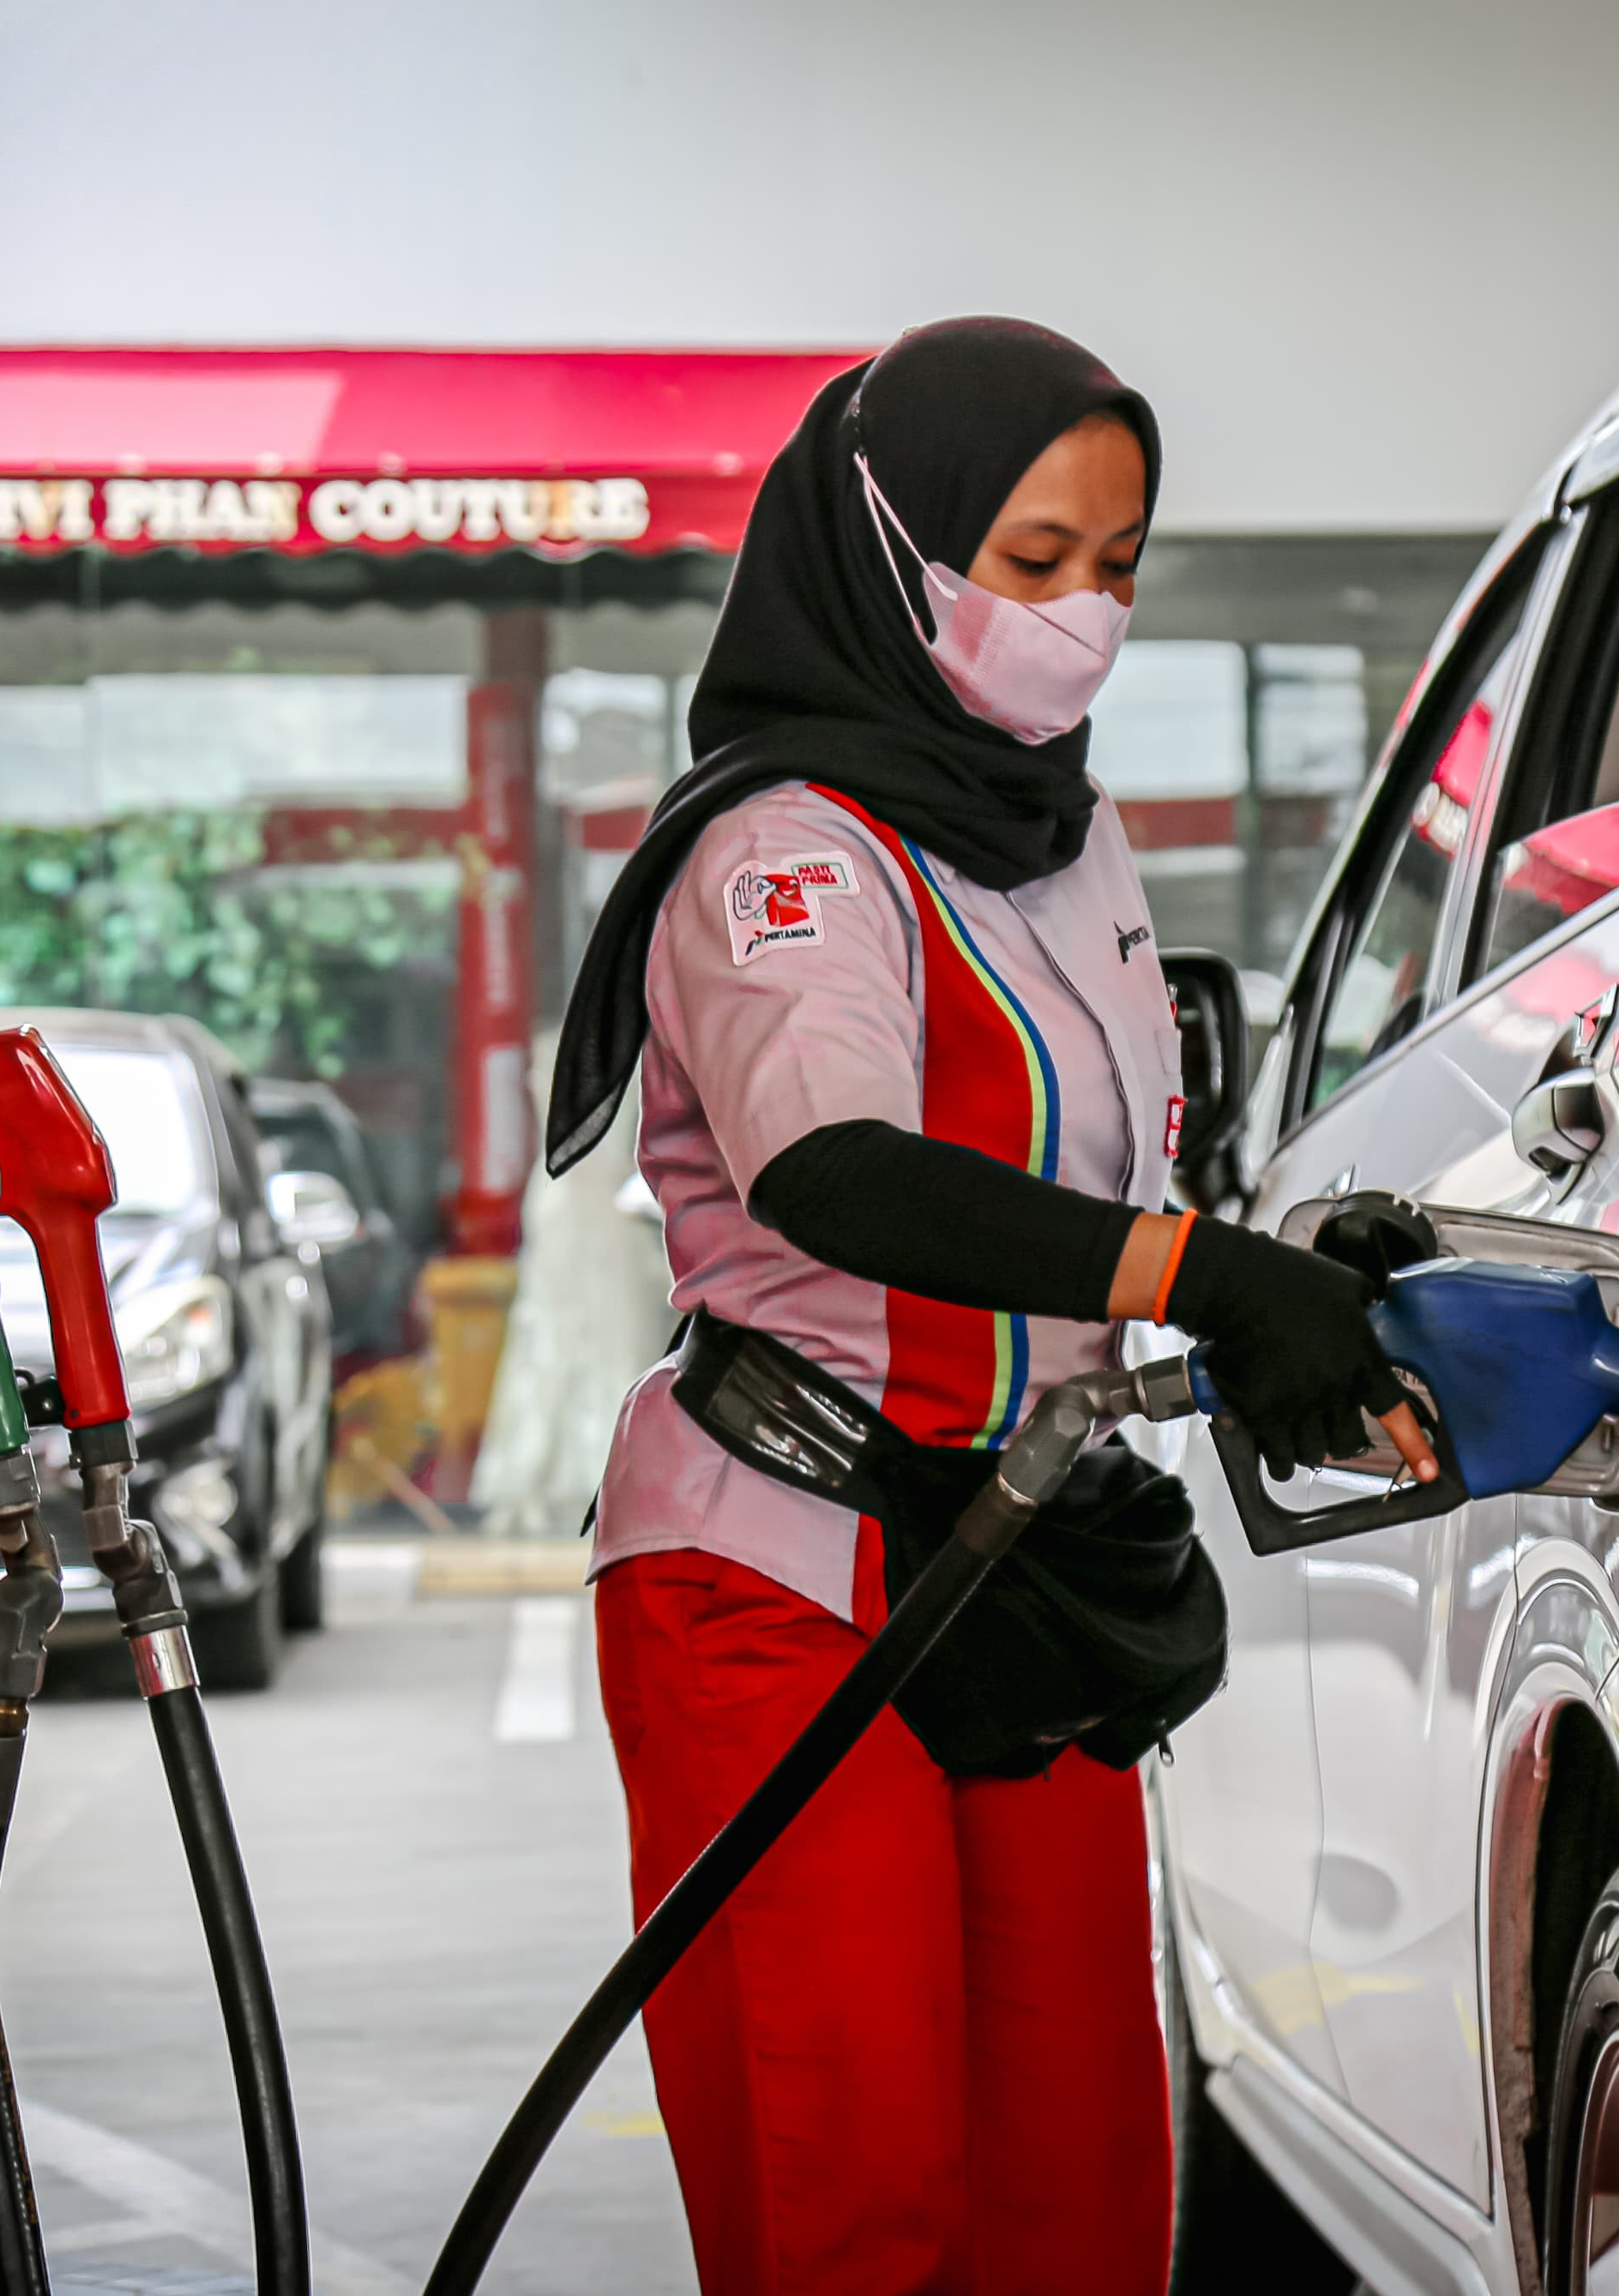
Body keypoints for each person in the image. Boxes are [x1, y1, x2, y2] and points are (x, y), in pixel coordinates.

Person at [544, 318, 1420, 2295]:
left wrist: (1270, 1272)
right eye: (1032, 561)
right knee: (857, 2207)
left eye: (1118, 566)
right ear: (889, 541)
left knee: (1078, 2204)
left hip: (1021, 1559)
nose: (1084, 615)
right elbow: (833, 1167)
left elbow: (1091, 1177)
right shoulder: (785, 850)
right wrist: (1198, 1273)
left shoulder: (1064, 833)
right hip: (786, 1564)